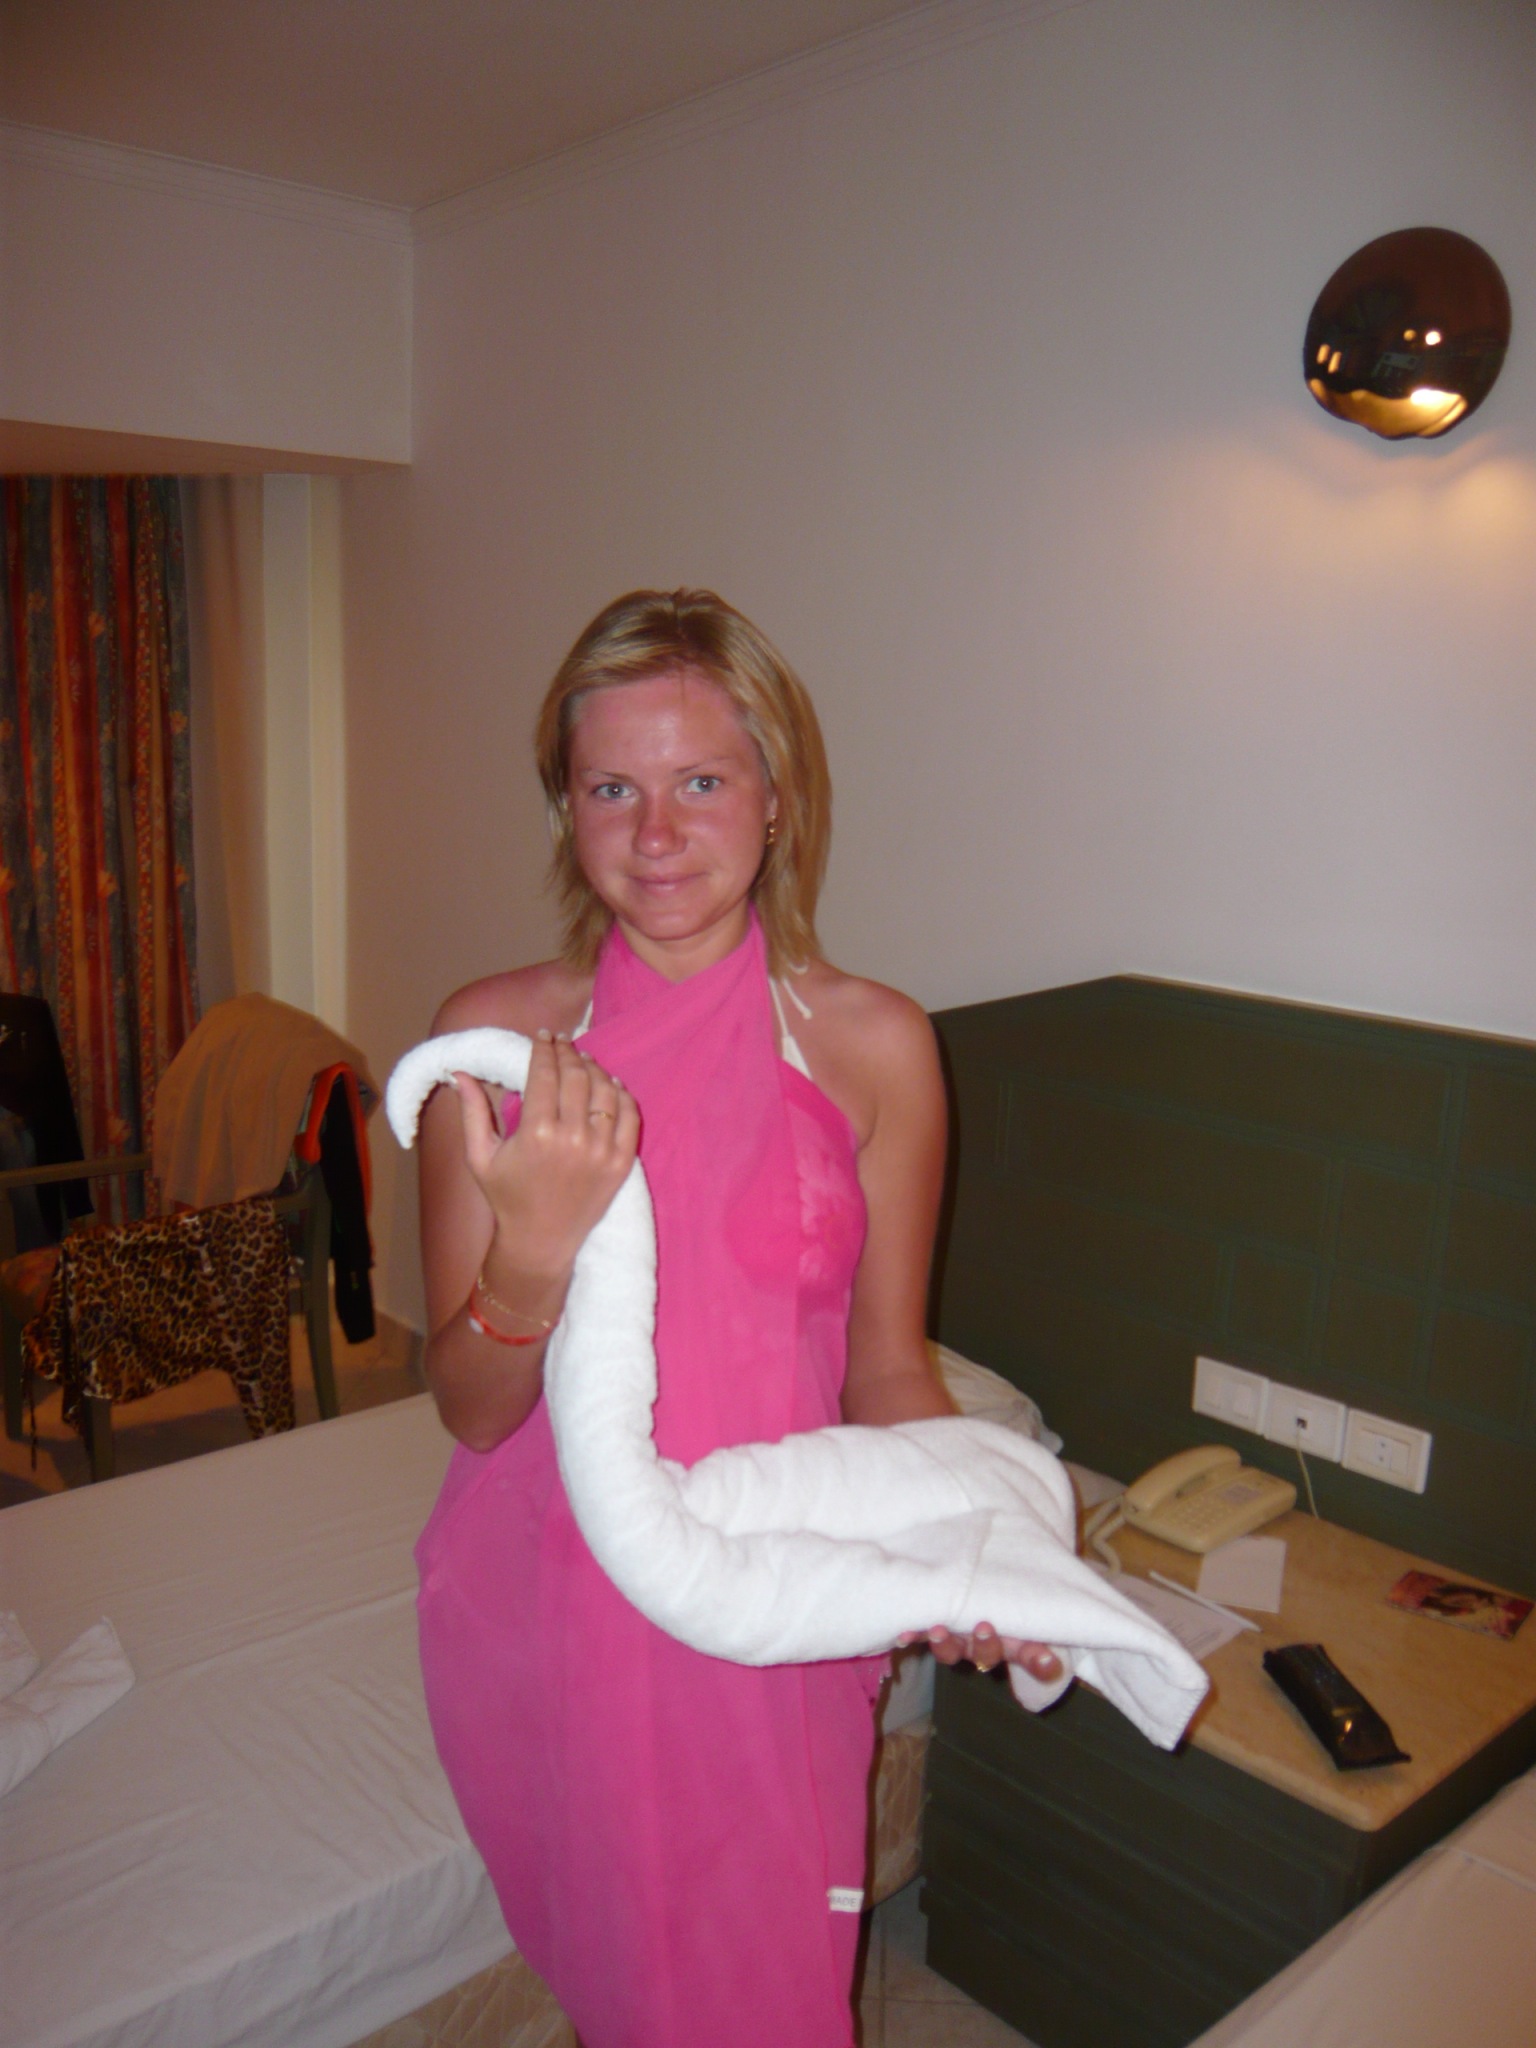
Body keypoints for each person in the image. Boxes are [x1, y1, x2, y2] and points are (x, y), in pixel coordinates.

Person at [414, 588, 1060, 2048]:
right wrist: (532, 1254)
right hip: (557, 1596)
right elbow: (471, 1409)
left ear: (778, 798)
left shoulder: (881, 1047)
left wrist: (982, 1544)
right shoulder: (492, 1048)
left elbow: (886, 1371)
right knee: (632, 1991)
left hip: (776, 1586)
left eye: (701, 782)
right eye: (612, 790)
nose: (657, 834)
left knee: (765, 1984)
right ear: (566, 810)